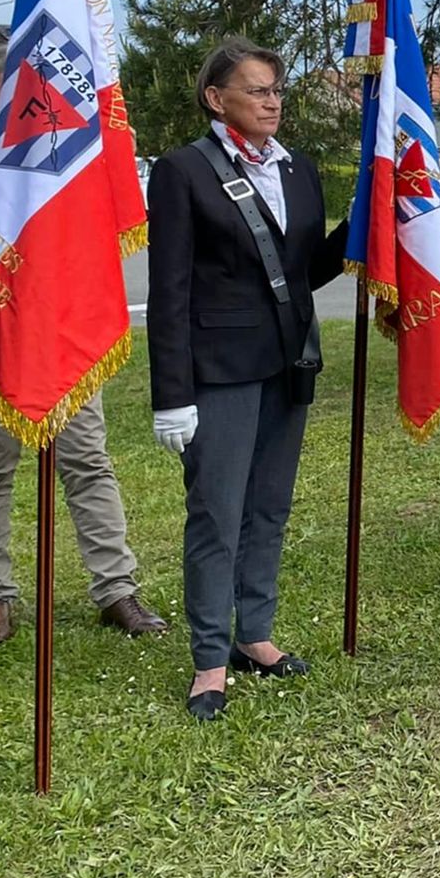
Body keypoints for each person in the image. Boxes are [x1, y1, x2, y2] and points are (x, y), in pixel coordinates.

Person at [0, 25, 166, 646]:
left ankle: (116, 589)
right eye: (18, 78)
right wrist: (36, 160)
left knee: (88, 462)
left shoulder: (67, 139)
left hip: (64, 332)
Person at [146, 38, 348, 720]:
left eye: (276, 91)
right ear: (216, 98)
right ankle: (209, 658)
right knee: (217, 514)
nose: (272, 102)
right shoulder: (183, 171)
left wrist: (364, 222)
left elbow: (303, 271)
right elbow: (169, 291)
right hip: (219, 371)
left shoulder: (298, 169)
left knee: (269, 508)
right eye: (257, 90)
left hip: (287, 361)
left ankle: (253, 635)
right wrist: (172, 395)